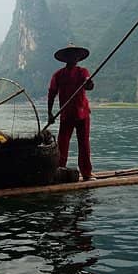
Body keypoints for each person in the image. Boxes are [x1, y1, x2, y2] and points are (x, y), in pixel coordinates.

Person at [48, 43, 95, 180]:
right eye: (70, 55)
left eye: (75, 55)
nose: (73, 58)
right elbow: (51, 93)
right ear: (66, 58)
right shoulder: (58, 75)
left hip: (82, 114)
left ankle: (86, 173)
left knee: (84, 144)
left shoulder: (83, 72)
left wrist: (89, 83)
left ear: (78, 58)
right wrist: (50, 113)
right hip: (66, 114)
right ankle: (58, 172)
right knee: (62, 144)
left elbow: (89, 86)